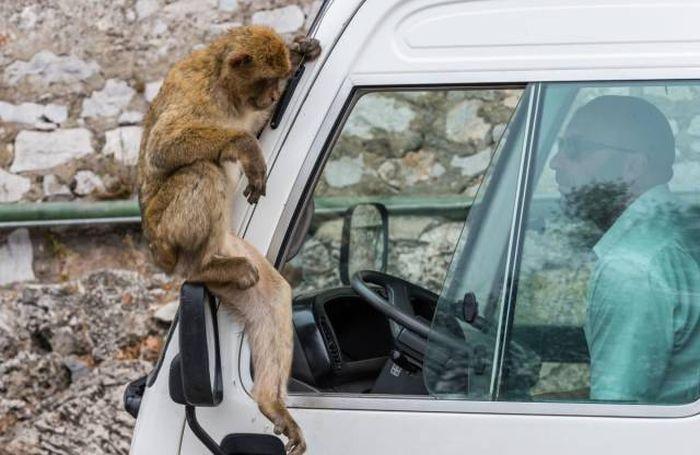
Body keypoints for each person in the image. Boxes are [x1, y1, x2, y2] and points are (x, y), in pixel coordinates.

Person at [550, 95, 700, 403]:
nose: (556, 162)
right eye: (560, 146)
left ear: (633, 166)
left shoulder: (632, 266)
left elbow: (617, 415)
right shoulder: (680, 229)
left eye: (575, 149)